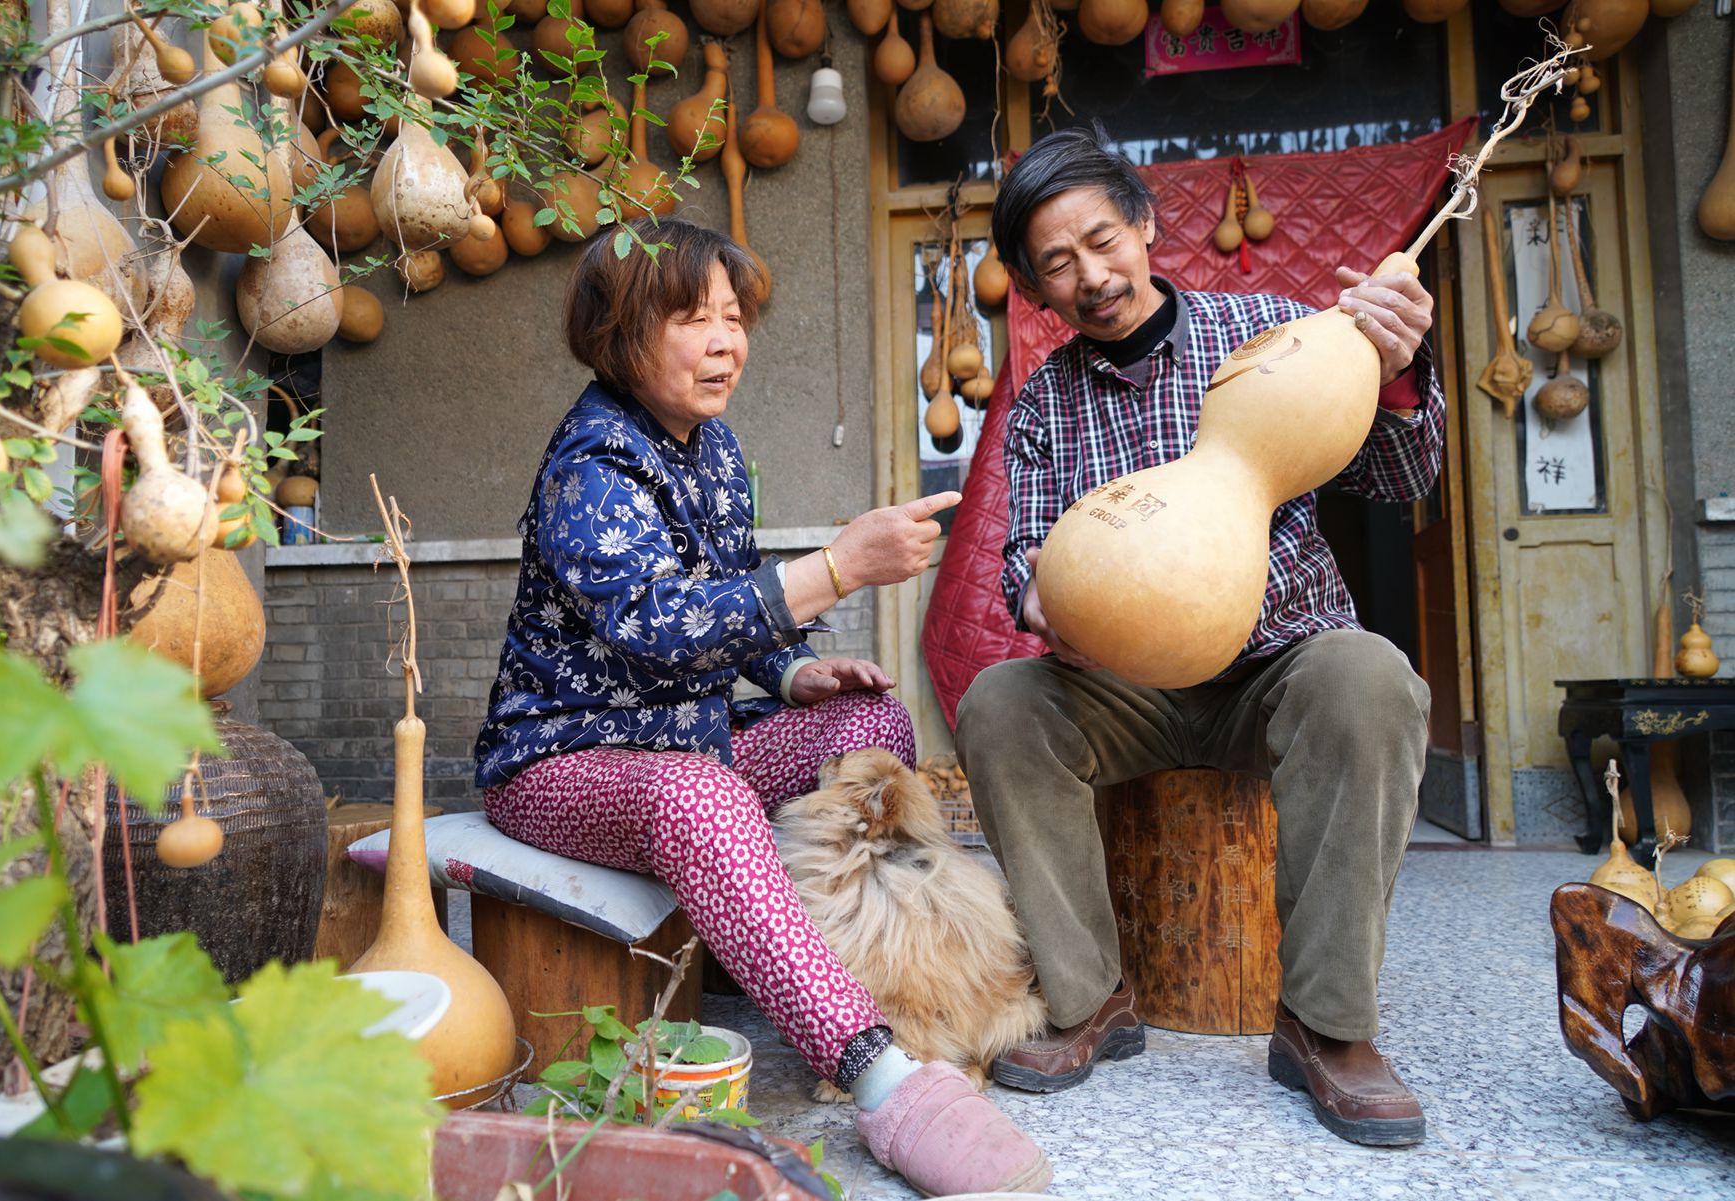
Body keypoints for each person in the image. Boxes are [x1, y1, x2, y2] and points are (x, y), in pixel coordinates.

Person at [475, 218, 1051, 1195]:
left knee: (872, 728)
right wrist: (837, 566)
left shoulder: (718, 451)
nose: (723, 340)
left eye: (733, 318)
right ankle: (881, 1071)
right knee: (702, 801)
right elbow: (662, 628)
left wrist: (792, 676)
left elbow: (733, 597)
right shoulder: (592, 468)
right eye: (692, 318)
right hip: (558, 770)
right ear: (621, 332)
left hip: (694, 740)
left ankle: (791, 954)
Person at [955, 126, 1443, 1147]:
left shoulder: (1269, 334)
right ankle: (1090, 995)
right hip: (1124, 686)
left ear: (1143, 225)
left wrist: (1397, 375)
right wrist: (1053, 602)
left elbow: (1397, 482)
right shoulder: (1043, 404)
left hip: (1279, 662)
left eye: (1102, 239)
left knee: (1372, 680)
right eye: (1057, 264)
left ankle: (1326, 1024)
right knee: (1001, 703)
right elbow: (1020, 566)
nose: (1091, 276)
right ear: (1036, 293)